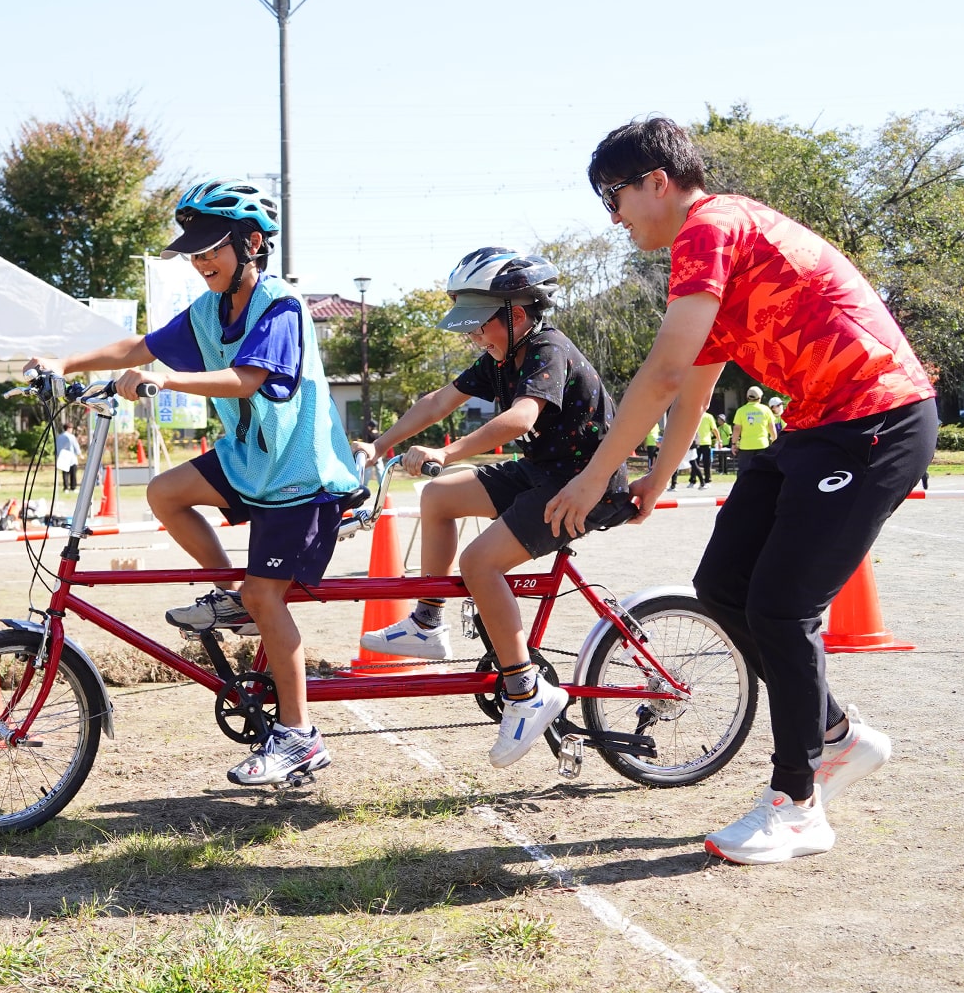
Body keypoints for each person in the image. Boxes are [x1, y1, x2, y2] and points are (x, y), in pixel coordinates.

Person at [547, 117, 937, 866]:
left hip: (876, 419)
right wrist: (656, 477)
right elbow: (693, 385)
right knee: (723, 585)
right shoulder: (714, 247)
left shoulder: (710, 226)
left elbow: (660, 373)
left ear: (658, 182)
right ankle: (836, 735)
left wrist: (595, 473)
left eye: (614, 196)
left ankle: (797, 805)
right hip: (817, 424)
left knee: (783, 608)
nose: (614, 216)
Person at [42, 180, 358, 788]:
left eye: (211, 248)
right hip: (249, 462)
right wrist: (66, 363)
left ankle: (298, 738)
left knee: (270, 599)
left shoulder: (280, 306)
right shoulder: (210, 310)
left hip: (299, 474)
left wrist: (166, 380)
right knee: (165, 492)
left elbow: (247, 378)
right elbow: (142, 344)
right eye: (193, 251)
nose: (200, 261)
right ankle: (230, 594)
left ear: (252, 244)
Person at [354, 248, 636, 767]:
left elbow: (522, 418)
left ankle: (527, 693)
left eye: (480, 325)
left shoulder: (548, 348)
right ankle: (427, 623)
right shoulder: (502, 356)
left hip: (582, 485)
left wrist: (447, 451)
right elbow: (438, 401)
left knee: (479, 563)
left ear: (518, 315)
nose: (474, 337)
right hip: (541, 473)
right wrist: (381, 446)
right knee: (438, 496)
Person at [730, 386, 776, 475]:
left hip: (746, 446)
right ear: (760, 397)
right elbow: (772, 427)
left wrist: (734, 443)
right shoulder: (766, 409)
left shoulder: (741, 411)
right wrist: (774, 441)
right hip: (762, 445)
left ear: (747, 397)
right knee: (763, 471)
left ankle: (743, 488)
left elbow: (736, 429)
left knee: (744, 472)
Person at [688, 406, 721, 488]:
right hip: (704, 442)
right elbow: (714, 429)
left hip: (697, 442)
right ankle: (705, 481)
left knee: (695, 462)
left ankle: (694, 481)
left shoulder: (695, 415)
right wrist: (719, 440)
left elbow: (714, 429)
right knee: (705, 462)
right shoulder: (708, 416)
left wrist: (719, 440)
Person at [55, 427, 80, 491]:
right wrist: (79, 453)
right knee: (73, 473)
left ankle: (66, 487)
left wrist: (58, 455)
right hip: (71, 456)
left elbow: (57, 447)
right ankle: (73, 487)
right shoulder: (71, 437)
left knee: (65, 473)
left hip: (62, 456)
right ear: (69, 428)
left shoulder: (59, 437)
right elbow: (75, 446)